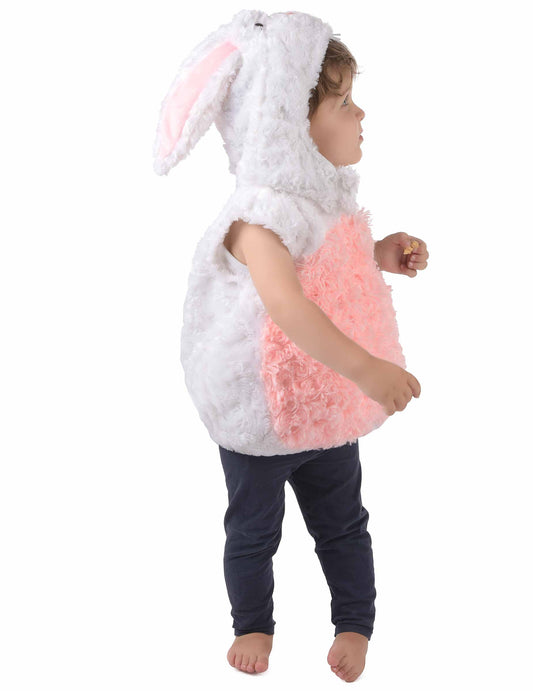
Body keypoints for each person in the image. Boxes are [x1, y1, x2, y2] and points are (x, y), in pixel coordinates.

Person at [153, 10, 429, 683]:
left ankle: (354, 622)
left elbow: (330, 269)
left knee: (345, 523)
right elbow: (288, 305)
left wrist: (380, 253)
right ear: (286, 124)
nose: (360, 114)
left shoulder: (323, 204)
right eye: (342, 101)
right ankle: (252, 622)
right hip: (262, 412)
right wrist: (368, 370)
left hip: (322, 407)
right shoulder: (256, 221)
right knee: (254, 530)